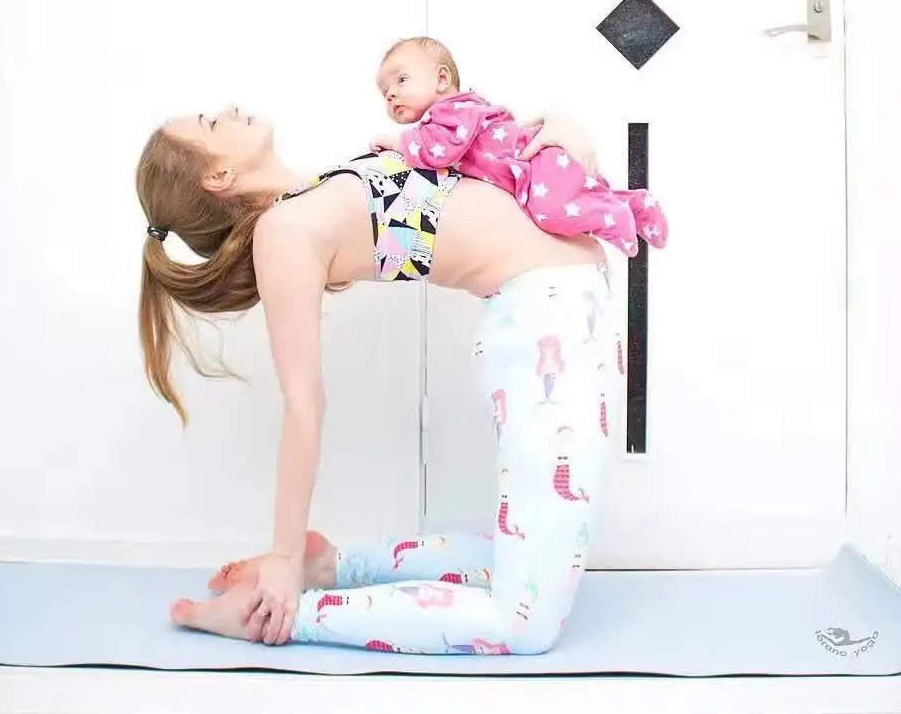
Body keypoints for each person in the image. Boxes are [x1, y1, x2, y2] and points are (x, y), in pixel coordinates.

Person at [136, 103, 623, 655]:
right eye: (209, 124)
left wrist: (560, 132)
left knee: (523, 558)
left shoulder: (314, 190)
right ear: (217, 176)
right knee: (524, 625)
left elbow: (480, 190)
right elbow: (303, 405)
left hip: (563, 316)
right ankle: (277, 614)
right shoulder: (284, 230)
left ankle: (334, 565)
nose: (227, 111)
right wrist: (280, 557)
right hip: (548, 330)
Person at [372, 36, 667, 257]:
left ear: (441, 79)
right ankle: (634, 204)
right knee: (581, 196)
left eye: (401, 80)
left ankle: (615, 218)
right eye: (385, 91)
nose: (392, 94)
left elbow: (439, 151)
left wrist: (398, 142)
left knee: (553, 212)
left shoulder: (450, 113)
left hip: (536, 165)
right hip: (538, 163)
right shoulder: (454, 113)